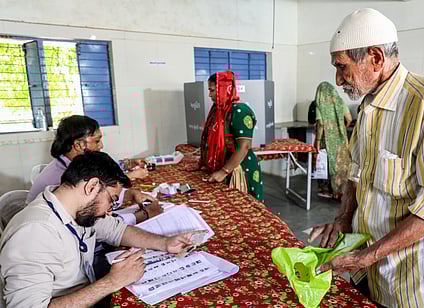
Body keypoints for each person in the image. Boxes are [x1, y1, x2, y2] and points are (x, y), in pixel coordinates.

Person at [309, 8, 424, 308]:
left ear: (376, 58)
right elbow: (357, 174)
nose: (338, 80)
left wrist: (368, 255)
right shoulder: (367, 106)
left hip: (416, 284)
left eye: (342, 67)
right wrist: (343, 220)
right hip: (371, 273)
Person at [0, 151, 192, 307]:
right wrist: (112, 282)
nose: (110, 211)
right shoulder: (34, 233)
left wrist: (165, 243)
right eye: (112, 201)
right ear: (92, 186)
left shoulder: (75, 209)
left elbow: (117, 230)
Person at [27, 115, 162, 224]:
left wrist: (132, 194)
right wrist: (144, 215)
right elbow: (97, 226)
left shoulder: (75, 167)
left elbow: (103, 193)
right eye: (97, 141)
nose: (101, 146)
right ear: (79, 145)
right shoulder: (64, 180)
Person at [192, 71, 264, 201]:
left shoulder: (240, 111)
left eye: (212, 90)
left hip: (238, 169)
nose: (209, 95)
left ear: (224, 89)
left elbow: (244, 146)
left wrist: (223, 172)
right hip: (223, 168)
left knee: (243, 212)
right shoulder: (217, 111)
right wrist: (201, 162)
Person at [313, 81, 352, 199]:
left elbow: (320, 124)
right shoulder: (340, 101)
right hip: (341, 138)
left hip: (327, 139)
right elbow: (349, 118)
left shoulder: (320, 105)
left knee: (327, 163)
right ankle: (341, 191)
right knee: (341, 164)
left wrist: (318, 141)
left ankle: (327, 191)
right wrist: (342, 128)